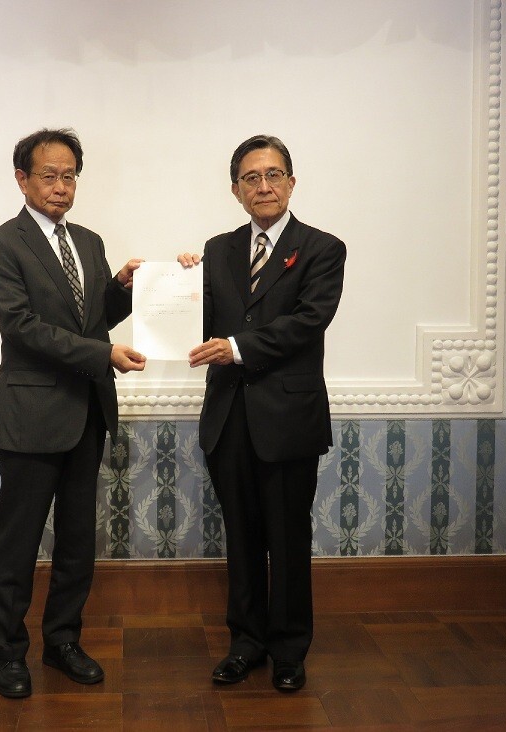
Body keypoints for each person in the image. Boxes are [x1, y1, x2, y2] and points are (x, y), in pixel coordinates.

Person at [0, 128, 146, 698]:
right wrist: (103, 355)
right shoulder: (0, 244)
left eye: (69, 175)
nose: (60, 186)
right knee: (19, 542)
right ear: (22, 179)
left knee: (78, 541)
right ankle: (8, 654)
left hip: (87, 412)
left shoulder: (90, 243)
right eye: (48, 175)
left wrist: (123, 288)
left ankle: (63, 642)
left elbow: (92, 320)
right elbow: (22, 327)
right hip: (29, 414)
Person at [186, 134, 346, 692]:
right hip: (228, 417)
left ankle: (289, 650)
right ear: (236, 190)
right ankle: (246, 643)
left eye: (274, 174)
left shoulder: (322, 248)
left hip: (288, 420)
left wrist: (237, 347)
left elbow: (309, 321)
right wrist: (179, 283)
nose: (264, 186)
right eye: (251, 178)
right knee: (242, 537)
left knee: (288, 537)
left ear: (292, 183)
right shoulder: (218, 250)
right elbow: (197, 322)